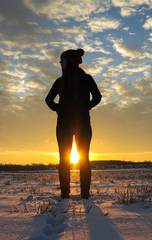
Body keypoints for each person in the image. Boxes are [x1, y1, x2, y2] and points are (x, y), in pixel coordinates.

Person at [45, 48, 102, 199]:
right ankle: (75, 194)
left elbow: (97, 97)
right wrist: (60, 109)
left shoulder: (85, 79)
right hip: (73, 123)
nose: (60, 63)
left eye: (62, 60)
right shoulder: (62, 81)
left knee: (72, 159)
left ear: (69, 62)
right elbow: (48, 100)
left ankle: (73, 194)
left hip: (75, 123)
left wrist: (83, 107)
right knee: (72, 159)